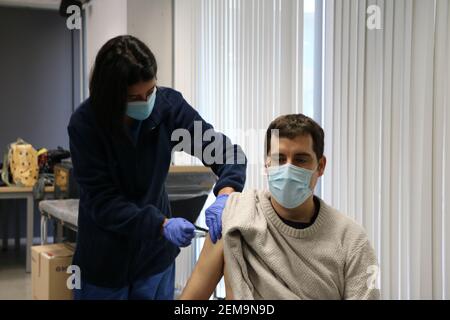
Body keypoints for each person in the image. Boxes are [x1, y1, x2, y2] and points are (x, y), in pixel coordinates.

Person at [68, 35, 247, 300]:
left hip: (155, 260)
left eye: (150, 91)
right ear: (112, 96)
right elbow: (103, 203)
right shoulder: (86, 125)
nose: (145, 101)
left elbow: (225, 152)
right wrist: (160, 224)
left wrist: (226, 193)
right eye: (134, 97)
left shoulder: (167, 108)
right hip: (105, 263)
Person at [180, 114, 380, 300]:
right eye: (279, 159)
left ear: (320, 166)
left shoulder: (351, 240)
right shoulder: (235, 214)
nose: (288, 168)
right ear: (267, 164)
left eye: (300, 160)